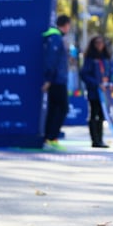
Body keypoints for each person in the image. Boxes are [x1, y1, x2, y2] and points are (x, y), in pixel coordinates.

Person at [41, 14, 71, 150]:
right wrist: (48, 79)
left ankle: (49, 138)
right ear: (65, 25)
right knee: (62, 108)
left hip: (57, 78)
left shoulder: (56, 38)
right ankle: (51, 138)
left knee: (54, 109)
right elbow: (51, 60)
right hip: (57, 80)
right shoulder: (56, 38)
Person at [79, 35, 112, 148]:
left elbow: (109, 73)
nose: (100, 45)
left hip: (104, 93)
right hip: (94, 92)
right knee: (94, 114)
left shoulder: (105, 58)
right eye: (97, 43)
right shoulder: (90, 58)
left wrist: (109, 83)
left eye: (101, 42)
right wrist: (96, 84)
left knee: (102, 116)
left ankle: (100, 139)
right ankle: (95, 140)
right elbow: (84, 74)